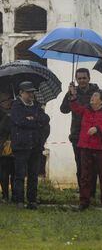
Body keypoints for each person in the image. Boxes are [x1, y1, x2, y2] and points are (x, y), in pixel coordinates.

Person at [69, 87, 102, 210]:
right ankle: (84, 201)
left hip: (101, 148)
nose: (92, 98)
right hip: (85, 147)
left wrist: (98, 129)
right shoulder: (86, 110)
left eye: (95, 96)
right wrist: (73, 97)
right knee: (85, 175)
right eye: (92, 96)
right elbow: (75, 109)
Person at [11, 81, 50, 209]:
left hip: (35, 145)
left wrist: (32, 118)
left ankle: (32, 200)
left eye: (32, 92)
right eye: (28, 92)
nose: (31, 94)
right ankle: (19, 200)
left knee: (33, 175)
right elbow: (20, 121)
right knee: (20, 175)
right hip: (21, 146)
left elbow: (46, 119)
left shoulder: (37, 105)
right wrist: (34, 120)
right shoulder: (16, 105)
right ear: (21, 93)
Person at [60, 68, 99, 193]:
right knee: (80, 165)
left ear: (89, 78)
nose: (82, 80)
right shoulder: (72, 92)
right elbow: (64, 109)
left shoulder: (97, 92)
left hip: (93, 133)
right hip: (77, 134)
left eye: (84, 78)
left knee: (92, 165)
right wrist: (70, 95)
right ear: (76, 79)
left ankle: (91, 192)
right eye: (79, 78)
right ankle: (83, 192)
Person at [0, 93, 14, 202]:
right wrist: (7, 118)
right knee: (4, 172)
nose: (9, 101)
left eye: (9, 99)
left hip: (15, 146)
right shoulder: (3, 114)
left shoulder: (14, 111)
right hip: (2, 146)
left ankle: (15, 195)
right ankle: (5, 195)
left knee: (15, 172)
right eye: (6, 100)